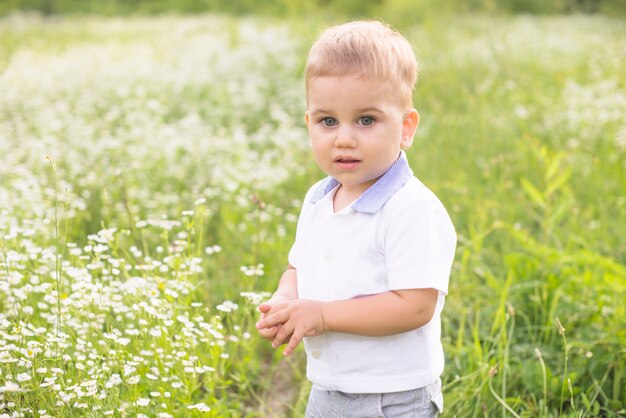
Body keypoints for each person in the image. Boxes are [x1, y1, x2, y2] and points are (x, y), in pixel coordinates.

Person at [255, 20, 456, 417]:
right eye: (328, 121)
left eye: (366, 120)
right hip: (329, 387)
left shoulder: (410, 208)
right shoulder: (318, 198)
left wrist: (323, 315)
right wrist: (287, 298)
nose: (344, 138)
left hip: (393, 396)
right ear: (309, 122)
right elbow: (299, 266)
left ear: (405, 128)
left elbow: (415, 305)